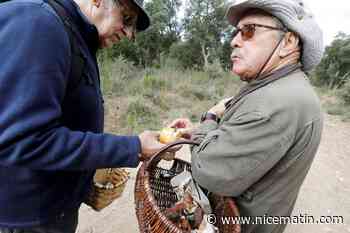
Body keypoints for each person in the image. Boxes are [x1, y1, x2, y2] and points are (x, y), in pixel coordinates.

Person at [0, 0, 168, 232]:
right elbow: (24, 140)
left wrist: (83, 178)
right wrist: (132, 147)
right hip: (25, 221)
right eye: (127, 19)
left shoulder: (75, 35)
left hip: (54, 211)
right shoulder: (40, 25)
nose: (130, 34)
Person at [169, 0, 324, 232]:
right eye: (236, 32)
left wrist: (210, 118)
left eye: (249, 30)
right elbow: (238, 135)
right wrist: (197, 131)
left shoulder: (276, 102)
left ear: (288, 42)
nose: (234, 41)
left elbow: (208, 168)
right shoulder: (275, 86)